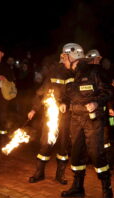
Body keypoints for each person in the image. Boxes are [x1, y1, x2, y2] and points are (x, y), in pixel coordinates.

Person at [60, 43, 113, 198]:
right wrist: (62, 102)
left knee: (96, 154)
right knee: (76, 153)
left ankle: (107, 189)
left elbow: (107, 92)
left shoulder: (93, 71)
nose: (61, 60)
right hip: (75, 119)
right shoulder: (69, 75)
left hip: (92, 120)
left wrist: (96, 103)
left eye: (63, 57)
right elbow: (66, 94)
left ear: (72, 55)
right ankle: (78, 187)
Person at [27, 46, 75, 185]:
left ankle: (60, 175)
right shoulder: (53, 72)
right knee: (46, 144)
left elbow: (72, 94)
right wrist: (34, 109)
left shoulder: (73, 74)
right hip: (51, 115)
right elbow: (42, 92)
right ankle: (39, 172)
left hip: (66, 117)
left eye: (68, 56)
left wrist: (65, 103)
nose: (65, 58)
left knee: (63, 146)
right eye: (64, 56)